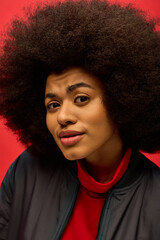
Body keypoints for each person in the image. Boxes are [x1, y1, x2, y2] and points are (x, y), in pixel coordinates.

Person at [0, 0, 160, 239]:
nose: (62, 117)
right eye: (53, 105)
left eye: (81, 99)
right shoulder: (26, 172)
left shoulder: (156, 200)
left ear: (121, 97)